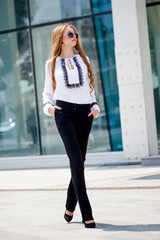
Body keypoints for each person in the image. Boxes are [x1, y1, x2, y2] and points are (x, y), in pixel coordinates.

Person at [42, 23, 100, 228]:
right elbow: (47, 93)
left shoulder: (84, 60)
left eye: (75, 33)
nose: (74, 36)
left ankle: (69, 207)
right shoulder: (51, 64)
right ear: (60, 38)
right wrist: (50, 108)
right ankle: (87, 213)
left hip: (85, 113)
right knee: (75, 158)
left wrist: (95, 107)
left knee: (79, 161)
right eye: (70, 34)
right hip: (63, 113)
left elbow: (89, 89)